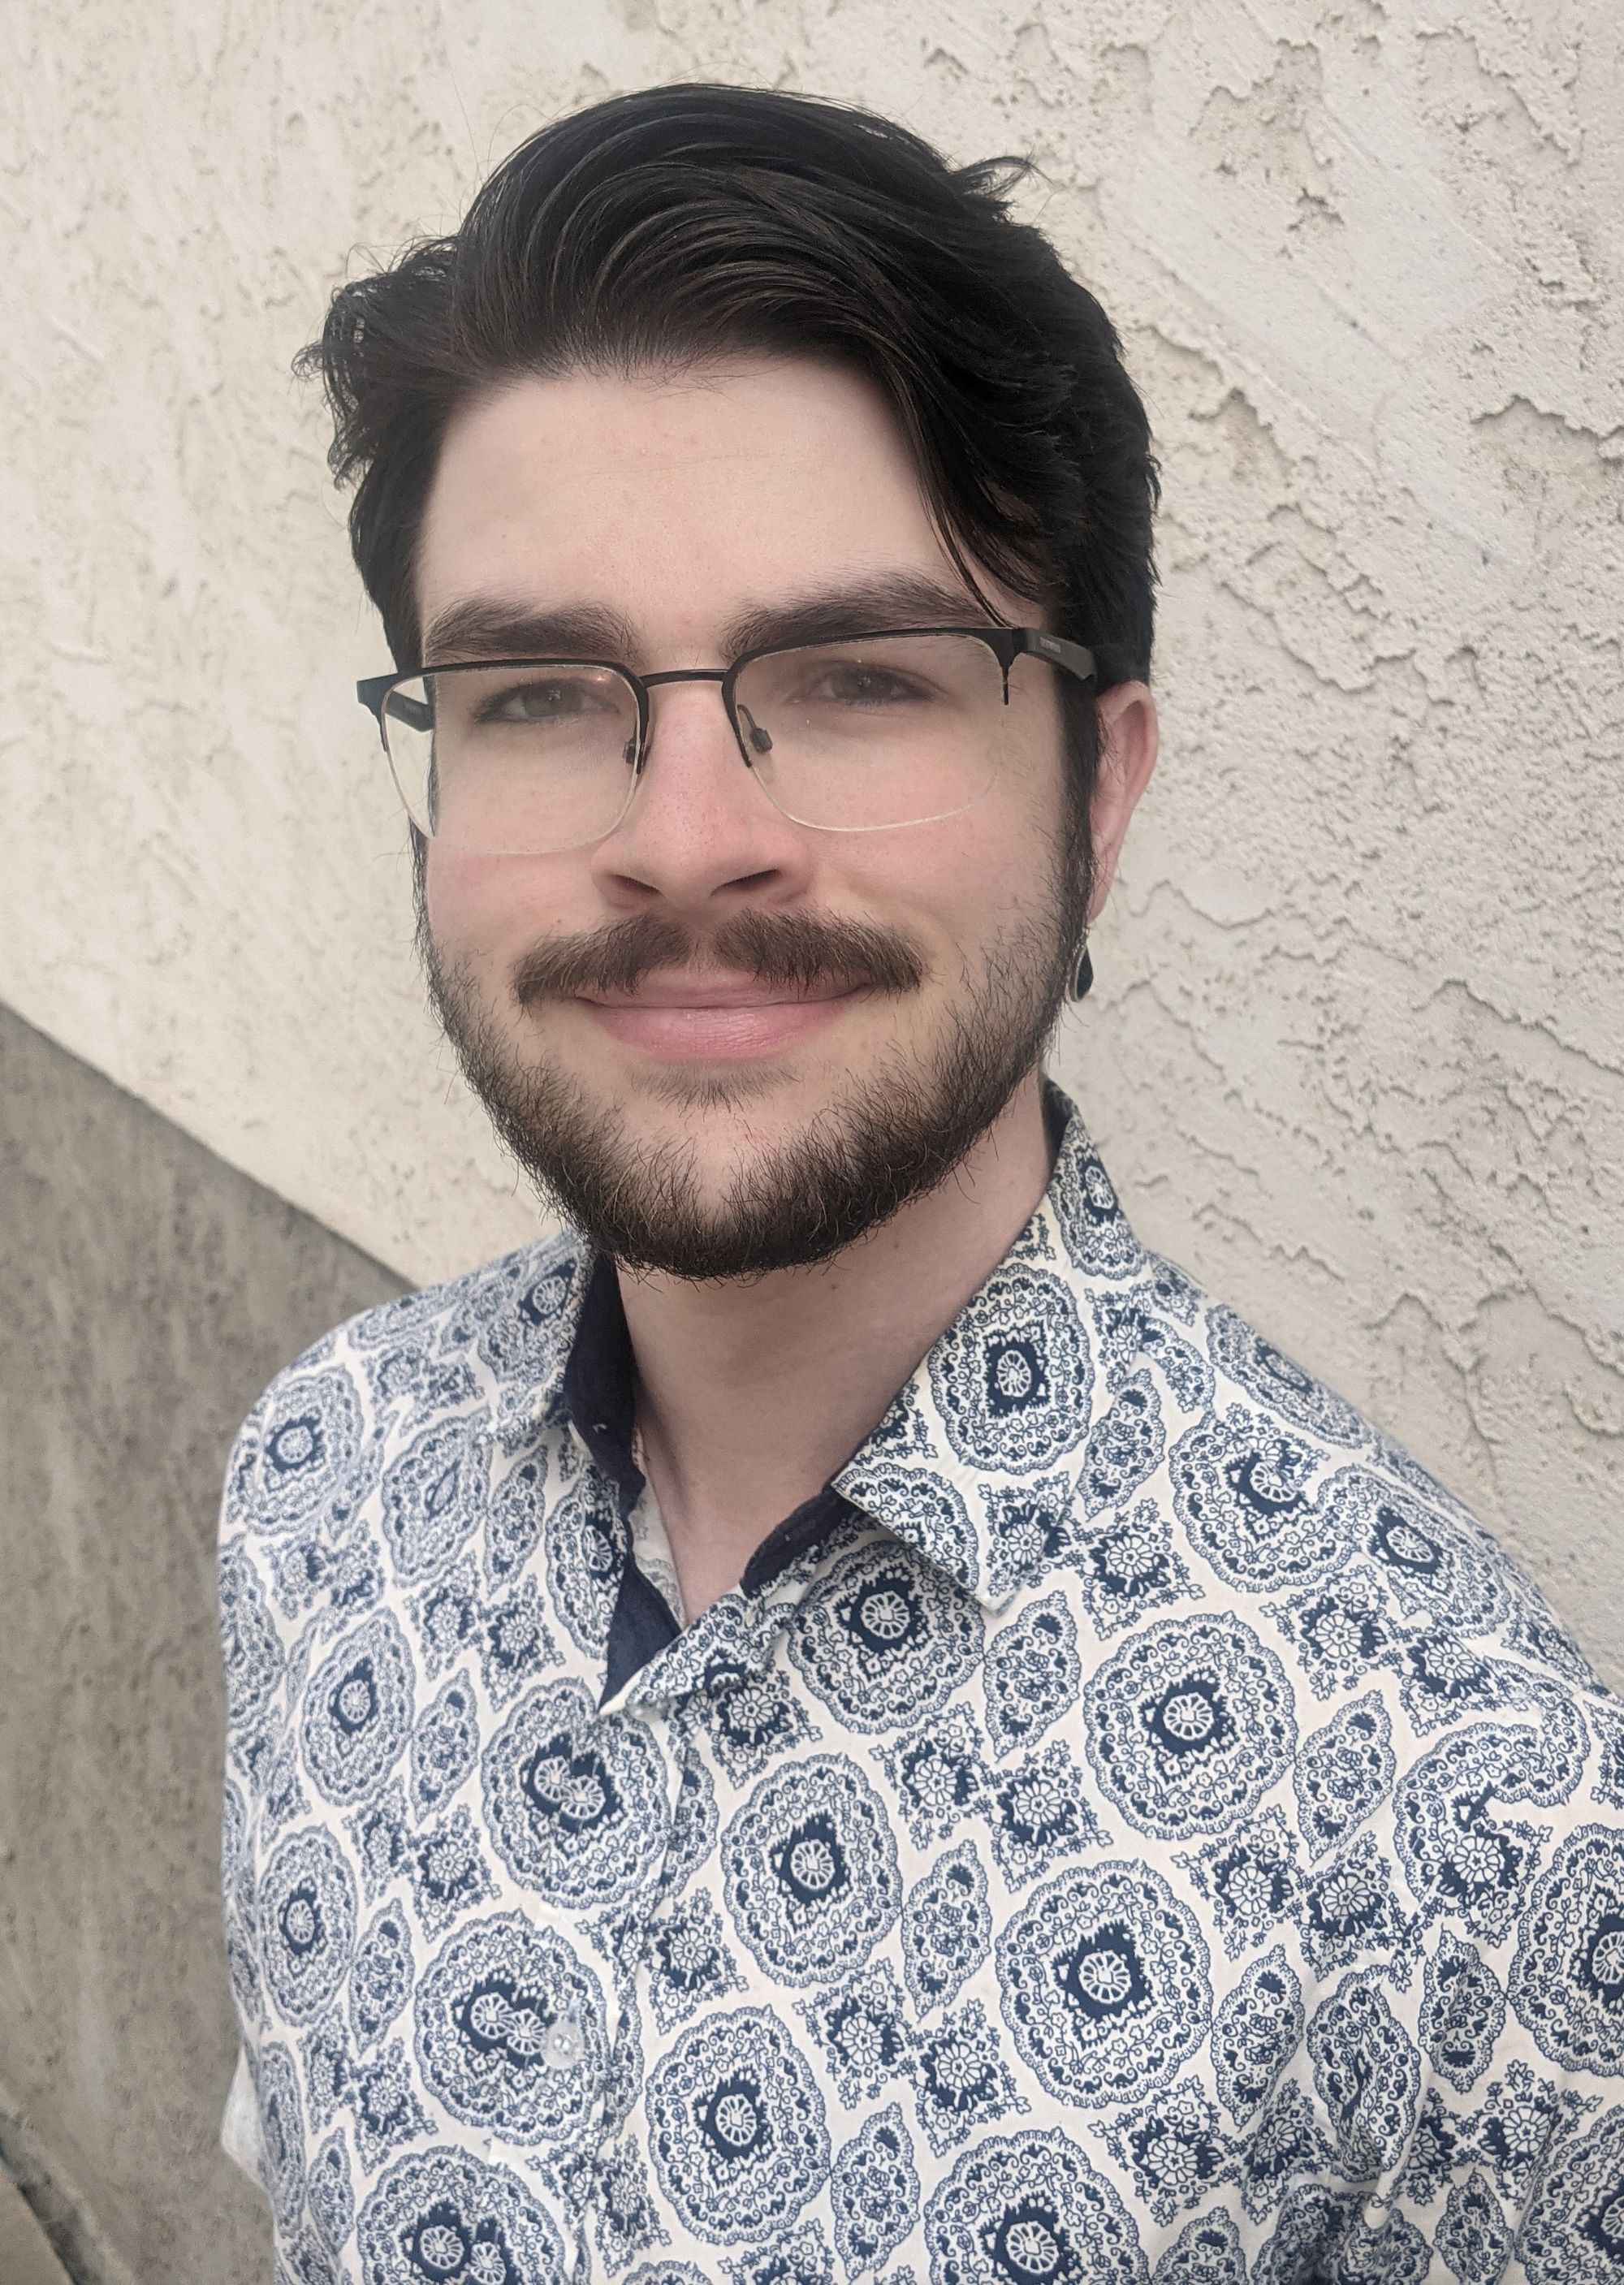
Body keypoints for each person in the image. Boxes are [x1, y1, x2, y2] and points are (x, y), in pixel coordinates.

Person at [218, 82, 1624, 2283]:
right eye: (538, 690)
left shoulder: (1475, 1843)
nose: (686, 837)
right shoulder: (315, 1496)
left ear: (1100, 786)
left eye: (861, 677)